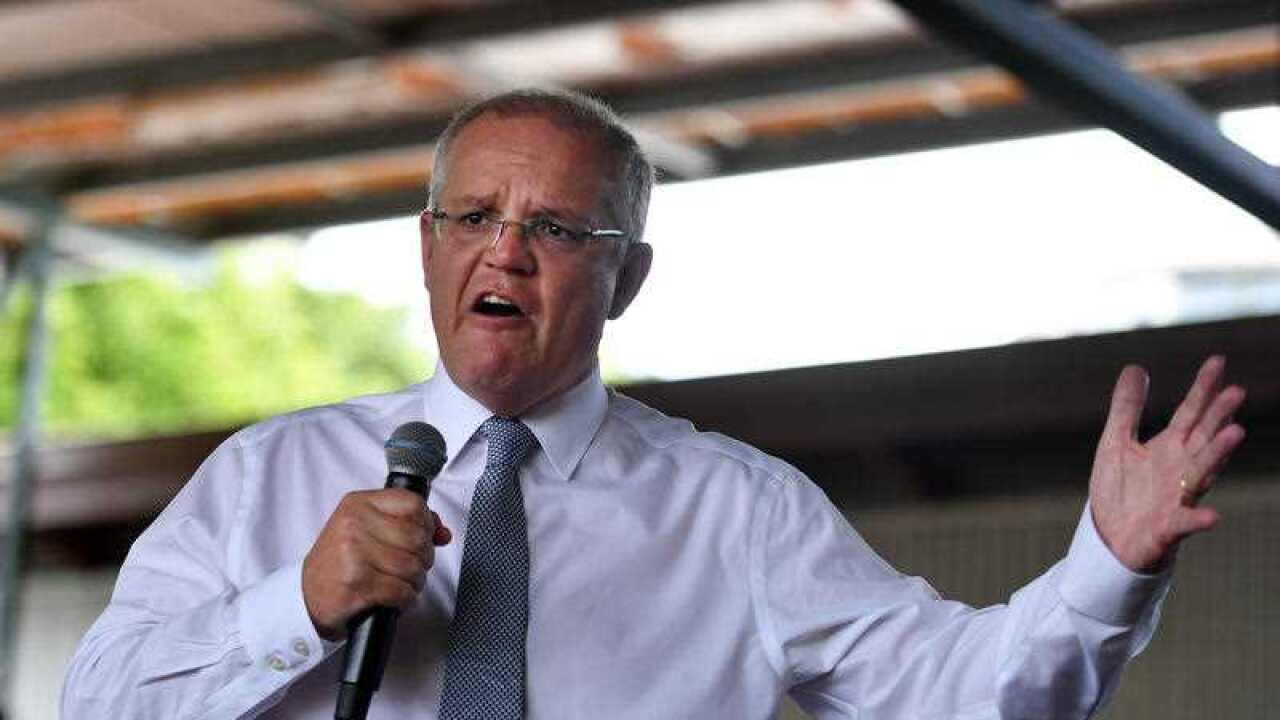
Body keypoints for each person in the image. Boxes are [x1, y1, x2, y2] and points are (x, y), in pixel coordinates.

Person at [61, 89, 1246, 720]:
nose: (506, 254)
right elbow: (98, 707)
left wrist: (1106, 566)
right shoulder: (267, 476)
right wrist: (297, 604)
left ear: (625, 277)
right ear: (426, 249)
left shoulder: (736, 512)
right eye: (473, 217)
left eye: (558, 230)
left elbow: (957, 699)